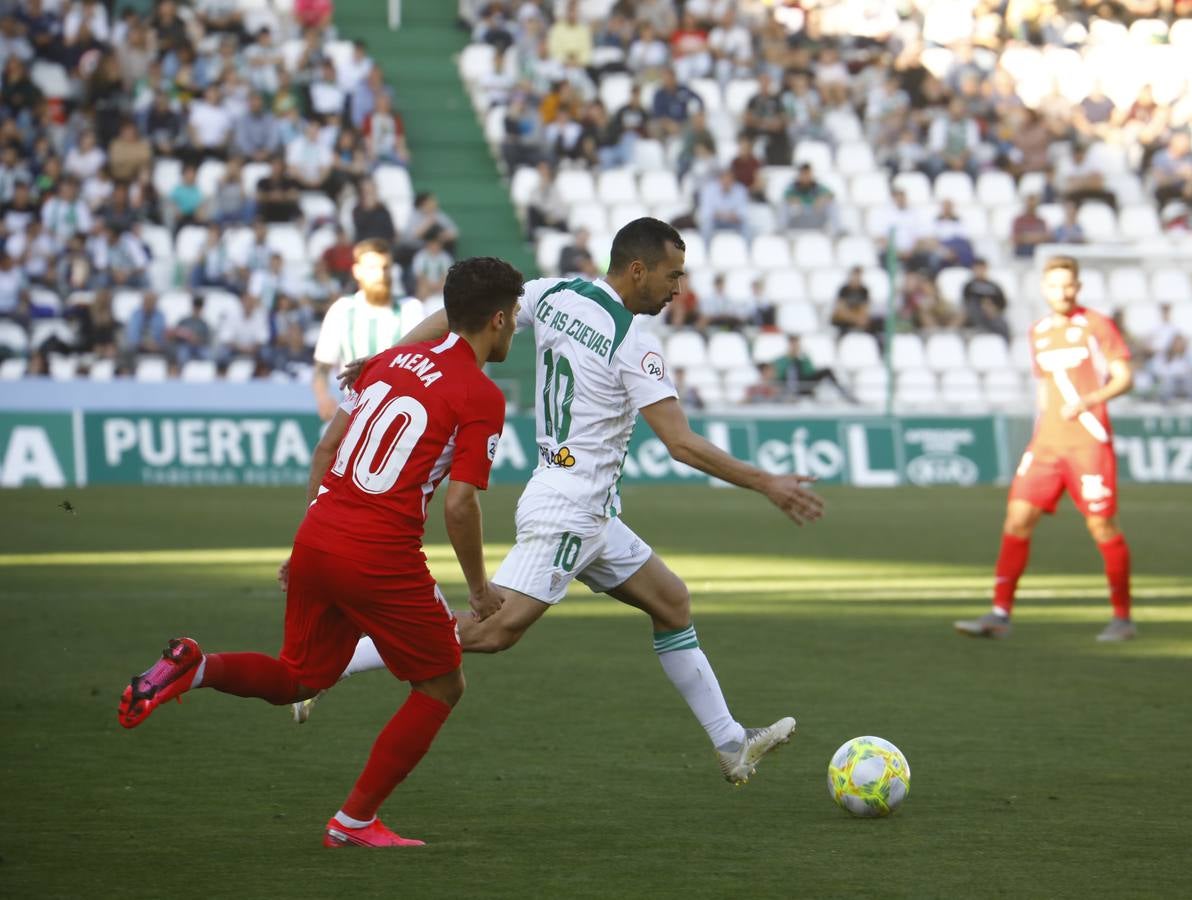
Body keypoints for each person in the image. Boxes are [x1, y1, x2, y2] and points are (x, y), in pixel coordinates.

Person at [320, 219, 825, 784]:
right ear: (638, 271)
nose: (678, 288)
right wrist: (768, 482)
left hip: (581, 501)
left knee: (672, 603)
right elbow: (680, 443)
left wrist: (390, 356)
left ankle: (731, 742)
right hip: (569, 506)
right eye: (672, 275)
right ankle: (339, 661)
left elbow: (456, 320)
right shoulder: (632, 342)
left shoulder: (555, 292)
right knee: (492, 632)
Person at [115, 257, 525, 848]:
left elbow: (327, 447)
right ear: (497, 318)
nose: (514, 329)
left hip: (319, 534)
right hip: (380, 555)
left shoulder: (385, 363)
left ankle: (194, 667)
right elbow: (460, 505)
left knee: (300, 677)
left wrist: (306, 540)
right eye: (513, 319)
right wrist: (481, 589)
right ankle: (354, 821)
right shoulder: (480, 393)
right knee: (442, 685)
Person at [955, 255, 1137, 642]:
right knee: (1017, 519)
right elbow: (1043, 388)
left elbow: (1124, 377)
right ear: (1044, 288)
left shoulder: (1096, 325)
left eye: (1068, 284)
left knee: (1101, 525)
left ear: (1079, 286)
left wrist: (1090, 400)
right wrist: (1040, 432)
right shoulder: (1038, 332)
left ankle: (1122, 617)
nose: (1062, 292)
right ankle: (1000, 614)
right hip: (1047, 445)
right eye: (1054, 285)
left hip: (1088, 443)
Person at [312, 239, 424, 421]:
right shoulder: (342, 310)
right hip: (353, 414)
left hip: (403, 418)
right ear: (357, 271)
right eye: (372, 268)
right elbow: (322, 368)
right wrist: (323, 397)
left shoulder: (411, 308)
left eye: (385, 267)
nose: (381, 274)